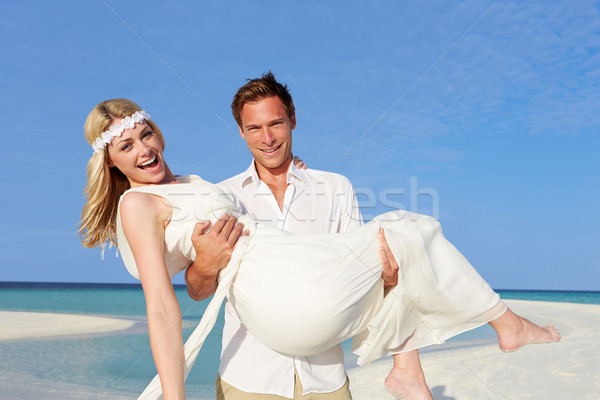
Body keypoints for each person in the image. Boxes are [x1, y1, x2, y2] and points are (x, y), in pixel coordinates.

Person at [79, 98, 560, 400]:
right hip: (256, 358)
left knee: (405, 243)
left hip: (322, 364)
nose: (143, 149)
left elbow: (367, 277)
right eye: (125, 147)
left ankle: (413, 368)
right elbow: (169, 302)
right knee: (412, 226)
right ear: (112, 163)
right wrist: (173, 395)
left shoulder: (197, 185)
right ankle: (493, 331)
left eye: (145, 134)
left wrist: (388, 275)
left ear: (291, 123)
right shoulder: (140, 205)